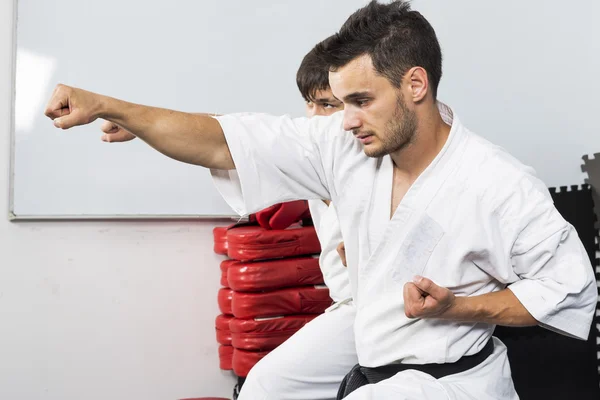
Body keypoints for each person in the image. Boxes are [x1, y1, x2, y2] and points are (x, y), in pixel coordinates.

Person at [44, 1, 598, 398]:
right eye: (338, 102)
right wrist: (115, 107)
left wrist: (461, 306)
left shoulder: (497, 183)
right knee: (264, 387)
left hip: (450, 378)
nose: (345, 120)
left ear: (415, 84)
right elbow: (223, 139)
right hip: (371, 331)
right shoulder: (346, 146)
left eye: (360, 100)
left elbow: (569, 285)